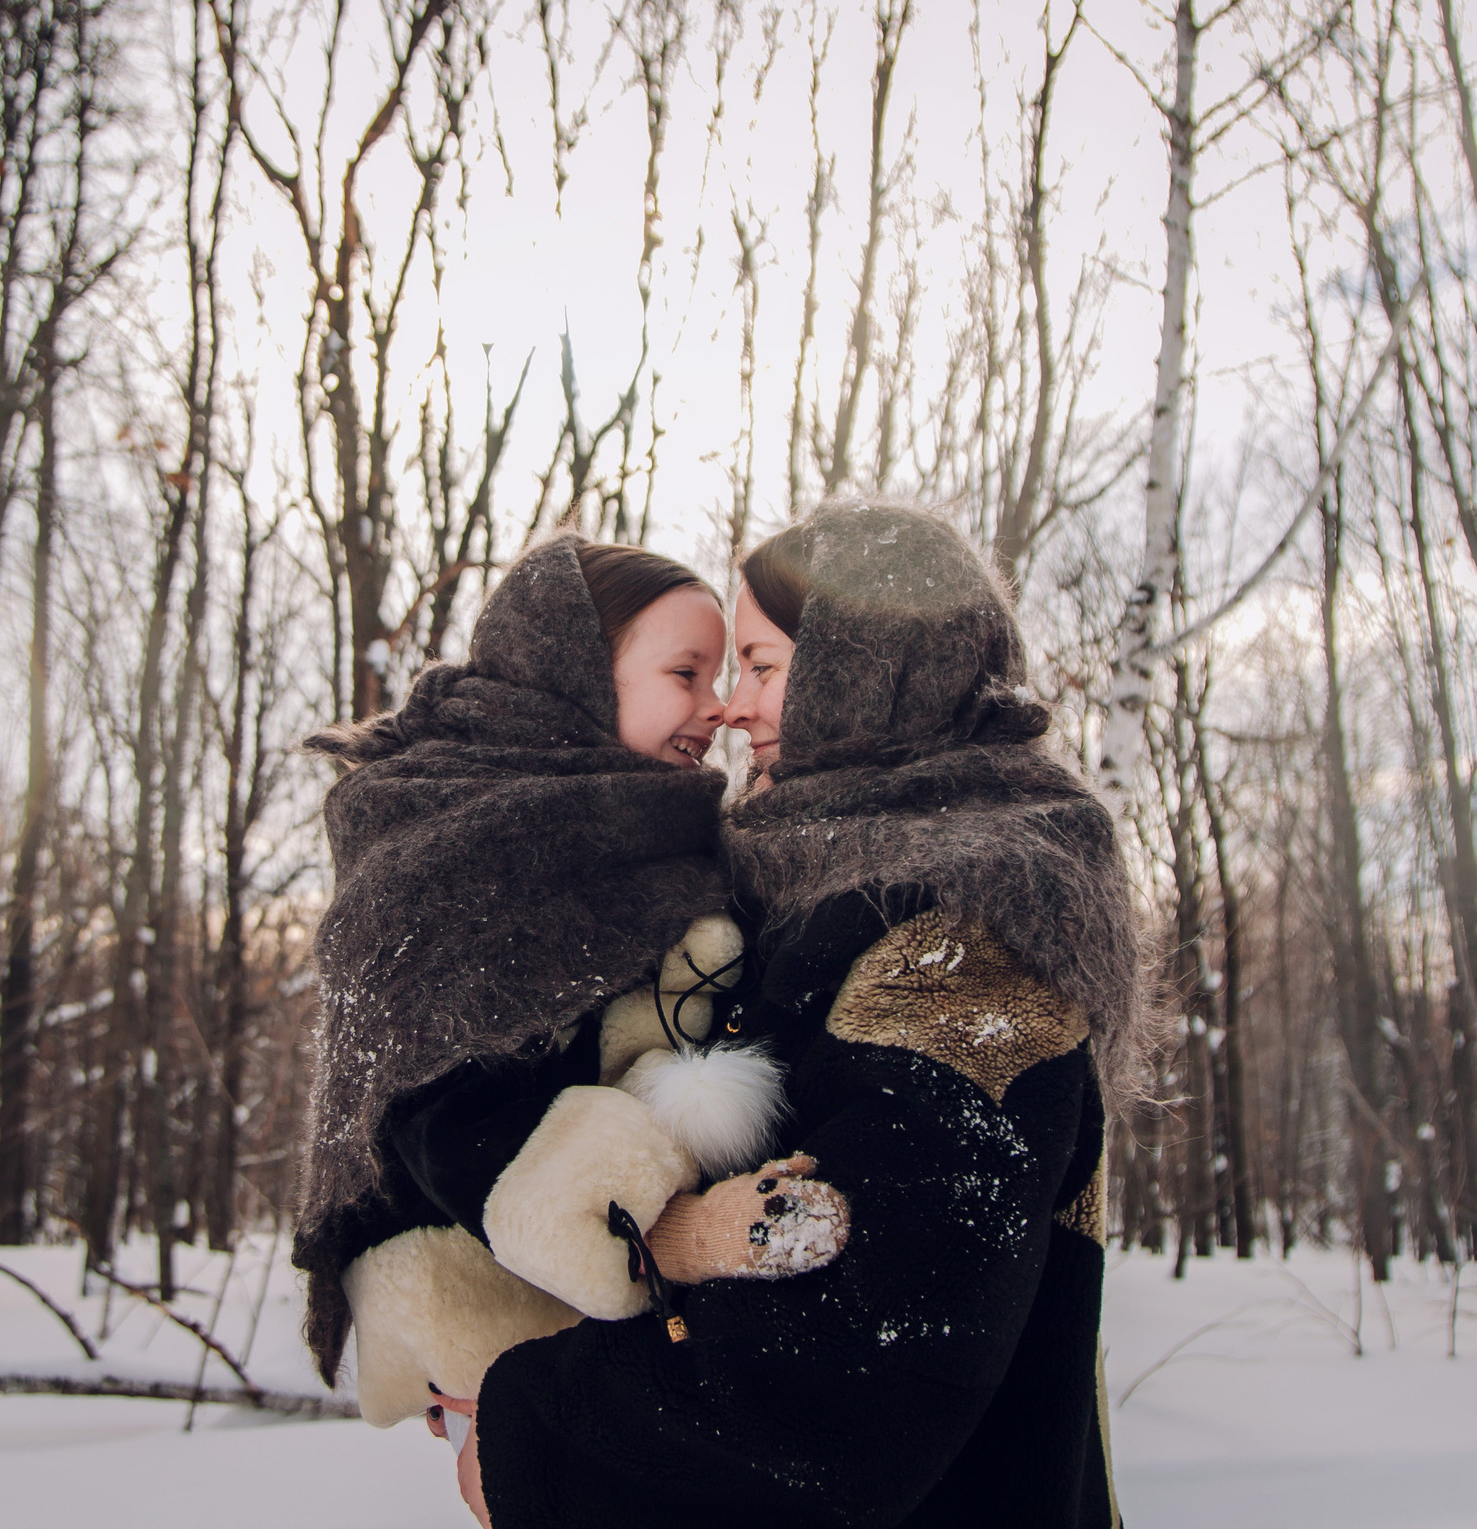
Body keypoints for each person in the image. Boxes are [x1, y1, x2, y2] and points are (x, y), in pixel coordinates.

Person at [449, 501, 1146, 1529]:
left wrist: (538, 1436)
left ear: (864, 673)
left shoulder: (962, 941)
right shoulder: (817, 898)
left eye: (763, 667)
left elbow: (856, 1370)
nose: (733, 709)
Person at [293, 533, 832, 1431]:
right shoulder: (447, 842)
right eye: (686, 674)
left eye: (722, 676)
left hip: (629, 1341)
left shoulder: (671, 838)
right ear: (574, 672)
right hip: (500, 1317)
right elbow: (440, 1115)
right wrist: (675, 1235)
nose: (718, 709)